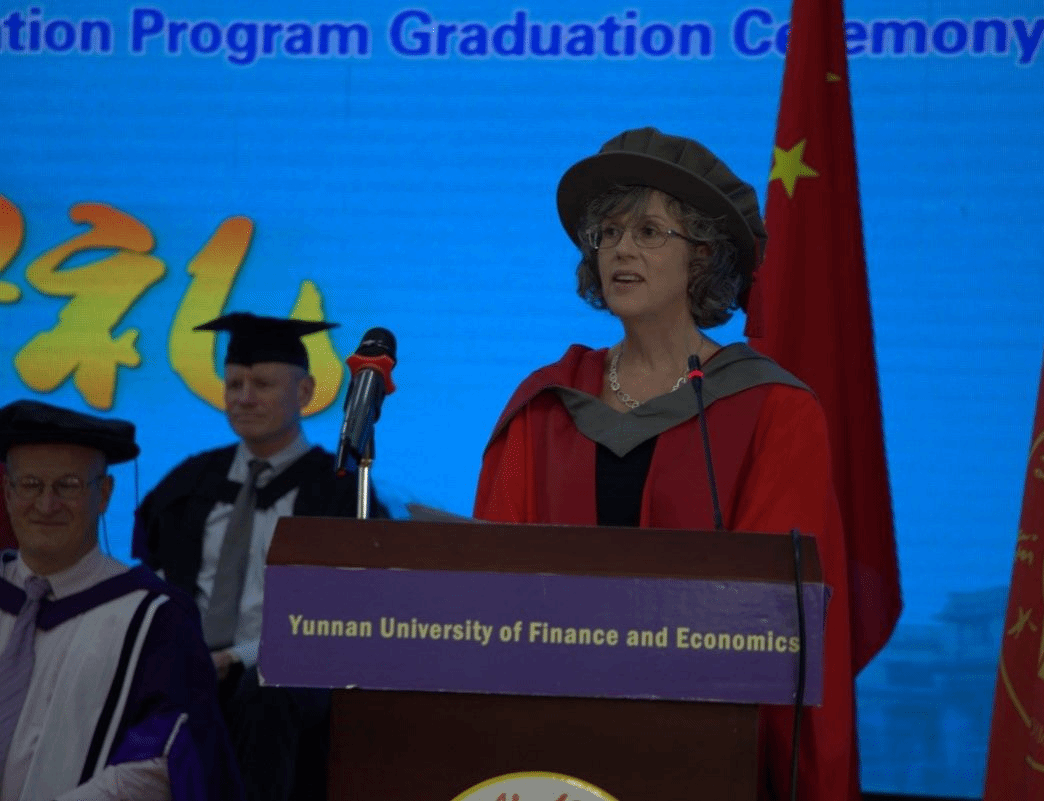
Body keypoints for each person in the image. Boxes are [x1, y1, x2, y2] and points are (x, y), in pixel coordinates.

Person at [474, 127, 859, 801]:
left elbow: (775, 615)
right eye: (608, 233)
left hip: (704, 753)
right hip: (550, 753)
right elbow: (487, 586)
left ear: (701, 257)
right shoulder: (545, 404)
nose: (621, 249)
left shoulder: (773, 409)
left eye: (649, 232)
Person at [133, 312, 388, 801]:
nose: (244, 397)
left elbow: (344, 613)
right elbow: (152, 583)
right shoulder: (186, 486)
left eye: (263, 384)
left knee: (266, 692)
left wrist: (236, 658)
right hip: (188, 669)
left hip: (285, 683)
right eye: (234, 384)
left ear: (305, 391)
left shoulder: (339, 494)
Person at [0, 399, 242, 801]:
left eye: (68, 485)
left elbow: (168, 755)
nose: (46, 504)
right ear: (8, 493)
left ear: (104, 494)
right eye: (30, 485)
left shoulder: (157, 619)